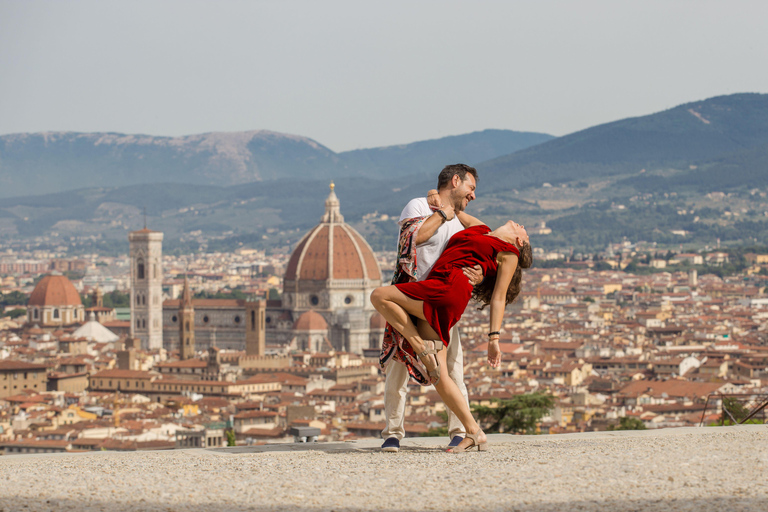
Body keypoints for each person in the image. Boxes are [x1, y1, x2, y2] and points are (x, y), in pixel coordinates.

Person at [371, 214, 533, 453]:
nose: (522, 225)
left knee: (379, 295)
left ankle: (419, 347)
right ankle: (474, 432)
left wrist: (494, 338)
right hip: (441, 289)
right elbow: (456, 209)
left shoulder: (510, 253)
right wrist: (437, 200)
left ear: (520, 242)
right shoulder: (481, 229)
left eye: (525, 231)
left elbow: (499, 297)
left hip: (448, 289)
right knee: (438, 375)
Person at [379, 164, 482, 453]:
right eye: (471, 188)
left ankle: (460, 431)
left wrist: (480, 275)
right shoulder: (418, 206)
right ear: (456, 181)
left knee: (453, 369)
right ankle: (392, 433)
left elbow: (480, 249)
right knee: (397, 370)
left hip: (442, 304)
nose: (473, 195)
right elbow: (413, 239)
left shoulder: (461, 221)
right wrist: (441, 214)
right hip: (408, 297)